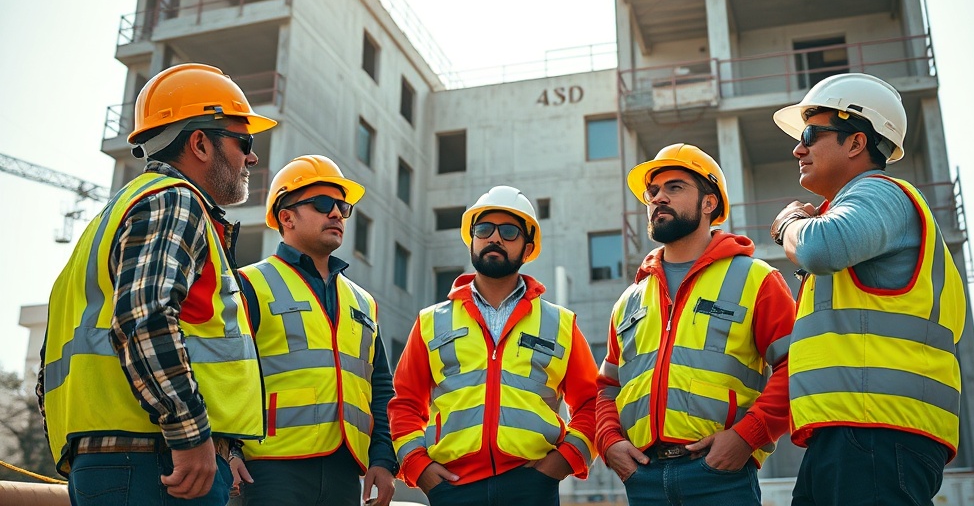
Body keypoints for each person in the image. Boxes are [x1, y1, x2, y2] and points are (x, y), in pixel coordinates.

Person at [38, 63, 276, 504]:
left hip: (113, 458)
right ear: (200, 143)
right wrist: (190, 434)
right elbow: (144, 316)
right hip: (159, 462)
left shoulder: (107, 220)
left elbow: (50, 361)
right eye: (244, 141)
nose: (252, 157)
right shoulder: (174, 200)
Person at [770, 73, 966, 505]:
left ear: (856, 143)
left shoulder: (880, 193)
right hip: (856, 431)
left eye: (810, 134)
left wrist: (788, 223)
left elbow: (821, 247)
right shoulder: (864, 209)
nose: (798, 148)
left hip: (875, 432)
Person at [596, 144, 796, 506]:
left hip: (720, 475)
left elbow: (796, 365)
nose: (658, 198)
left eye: (674, 188)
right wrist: (609, 441)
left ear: (709, 203)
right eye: (653, 192)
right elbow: (607, 387)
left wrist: (747, 437)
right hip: (642, 479)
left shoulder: (756, 279)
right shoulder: (630, 300)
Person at [388, 186, 598, 506]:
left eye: (509, 231)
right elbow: (404, 405)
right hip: (452, 488)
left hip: (534, 486)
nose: (494, 238)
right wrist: (419, 467)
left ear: (528, 248)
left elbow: (592, 404)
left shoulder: (561, 324)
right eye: (484, 229)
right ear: (472, 238)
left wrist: (562, 462)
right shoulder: (430, 322)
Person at [236, 155, 397, 506]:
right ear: (286, 216)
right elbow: (224, 374)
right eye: (323, 203)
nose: (337, 213)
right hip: (268, 471)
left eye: (342, 206)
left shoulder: (362, 302)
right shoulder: (249, 284)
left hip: (344, 471)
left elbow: (381, 387)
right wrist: (227, 448)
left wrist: (384, 458)